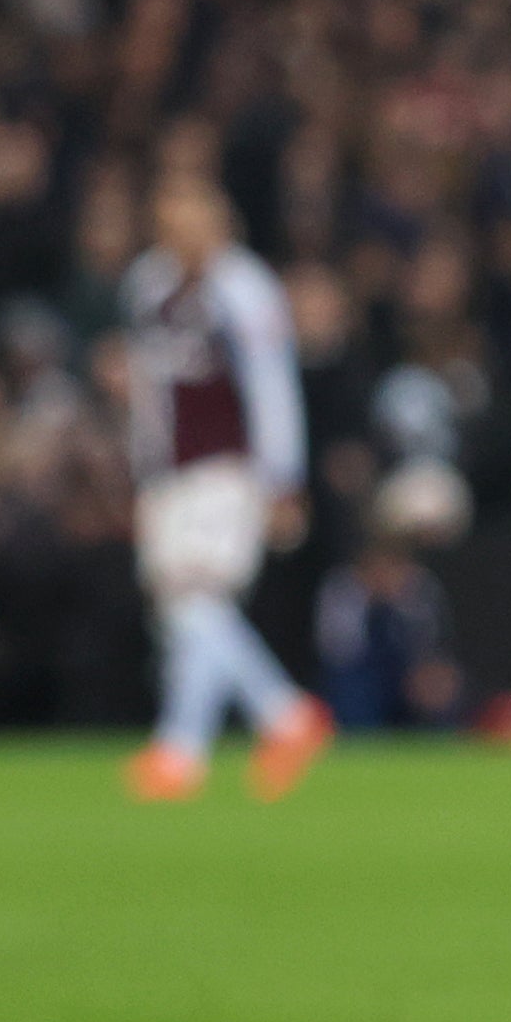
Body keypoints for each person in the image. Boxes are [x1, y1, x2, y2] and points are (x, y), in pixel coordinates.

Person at [119, 167, 332, 801]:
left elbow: (272, 385)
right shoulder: (146, 285)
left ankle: (188, 748)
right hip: (169, 473)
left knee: (194, 598)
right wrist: (142, 471)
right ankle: (268, 723)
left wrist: (281, 478)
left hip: (227, 468)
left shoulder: (244, 288)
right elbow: (148, 394)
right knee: (185, 610)